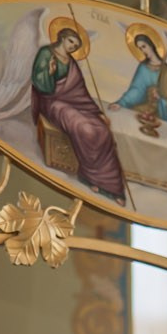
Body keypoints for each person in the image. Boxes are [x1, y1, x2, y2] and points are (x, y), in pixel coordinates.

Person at [29, 22, 124, 201]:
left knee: (102, 130)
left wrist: (97, 112)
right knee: (84, 128)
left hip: (74, 103)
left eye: (76, 45)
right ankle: (90, 177)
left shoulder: (71, 62)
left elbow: (80, 92)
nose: (73, 46)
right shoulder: (46, 53)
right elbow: (41, 85)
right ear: (62, 37)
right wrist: (49, 73)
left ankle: (111, 186)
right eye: (71, 41)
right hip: (52, 102)